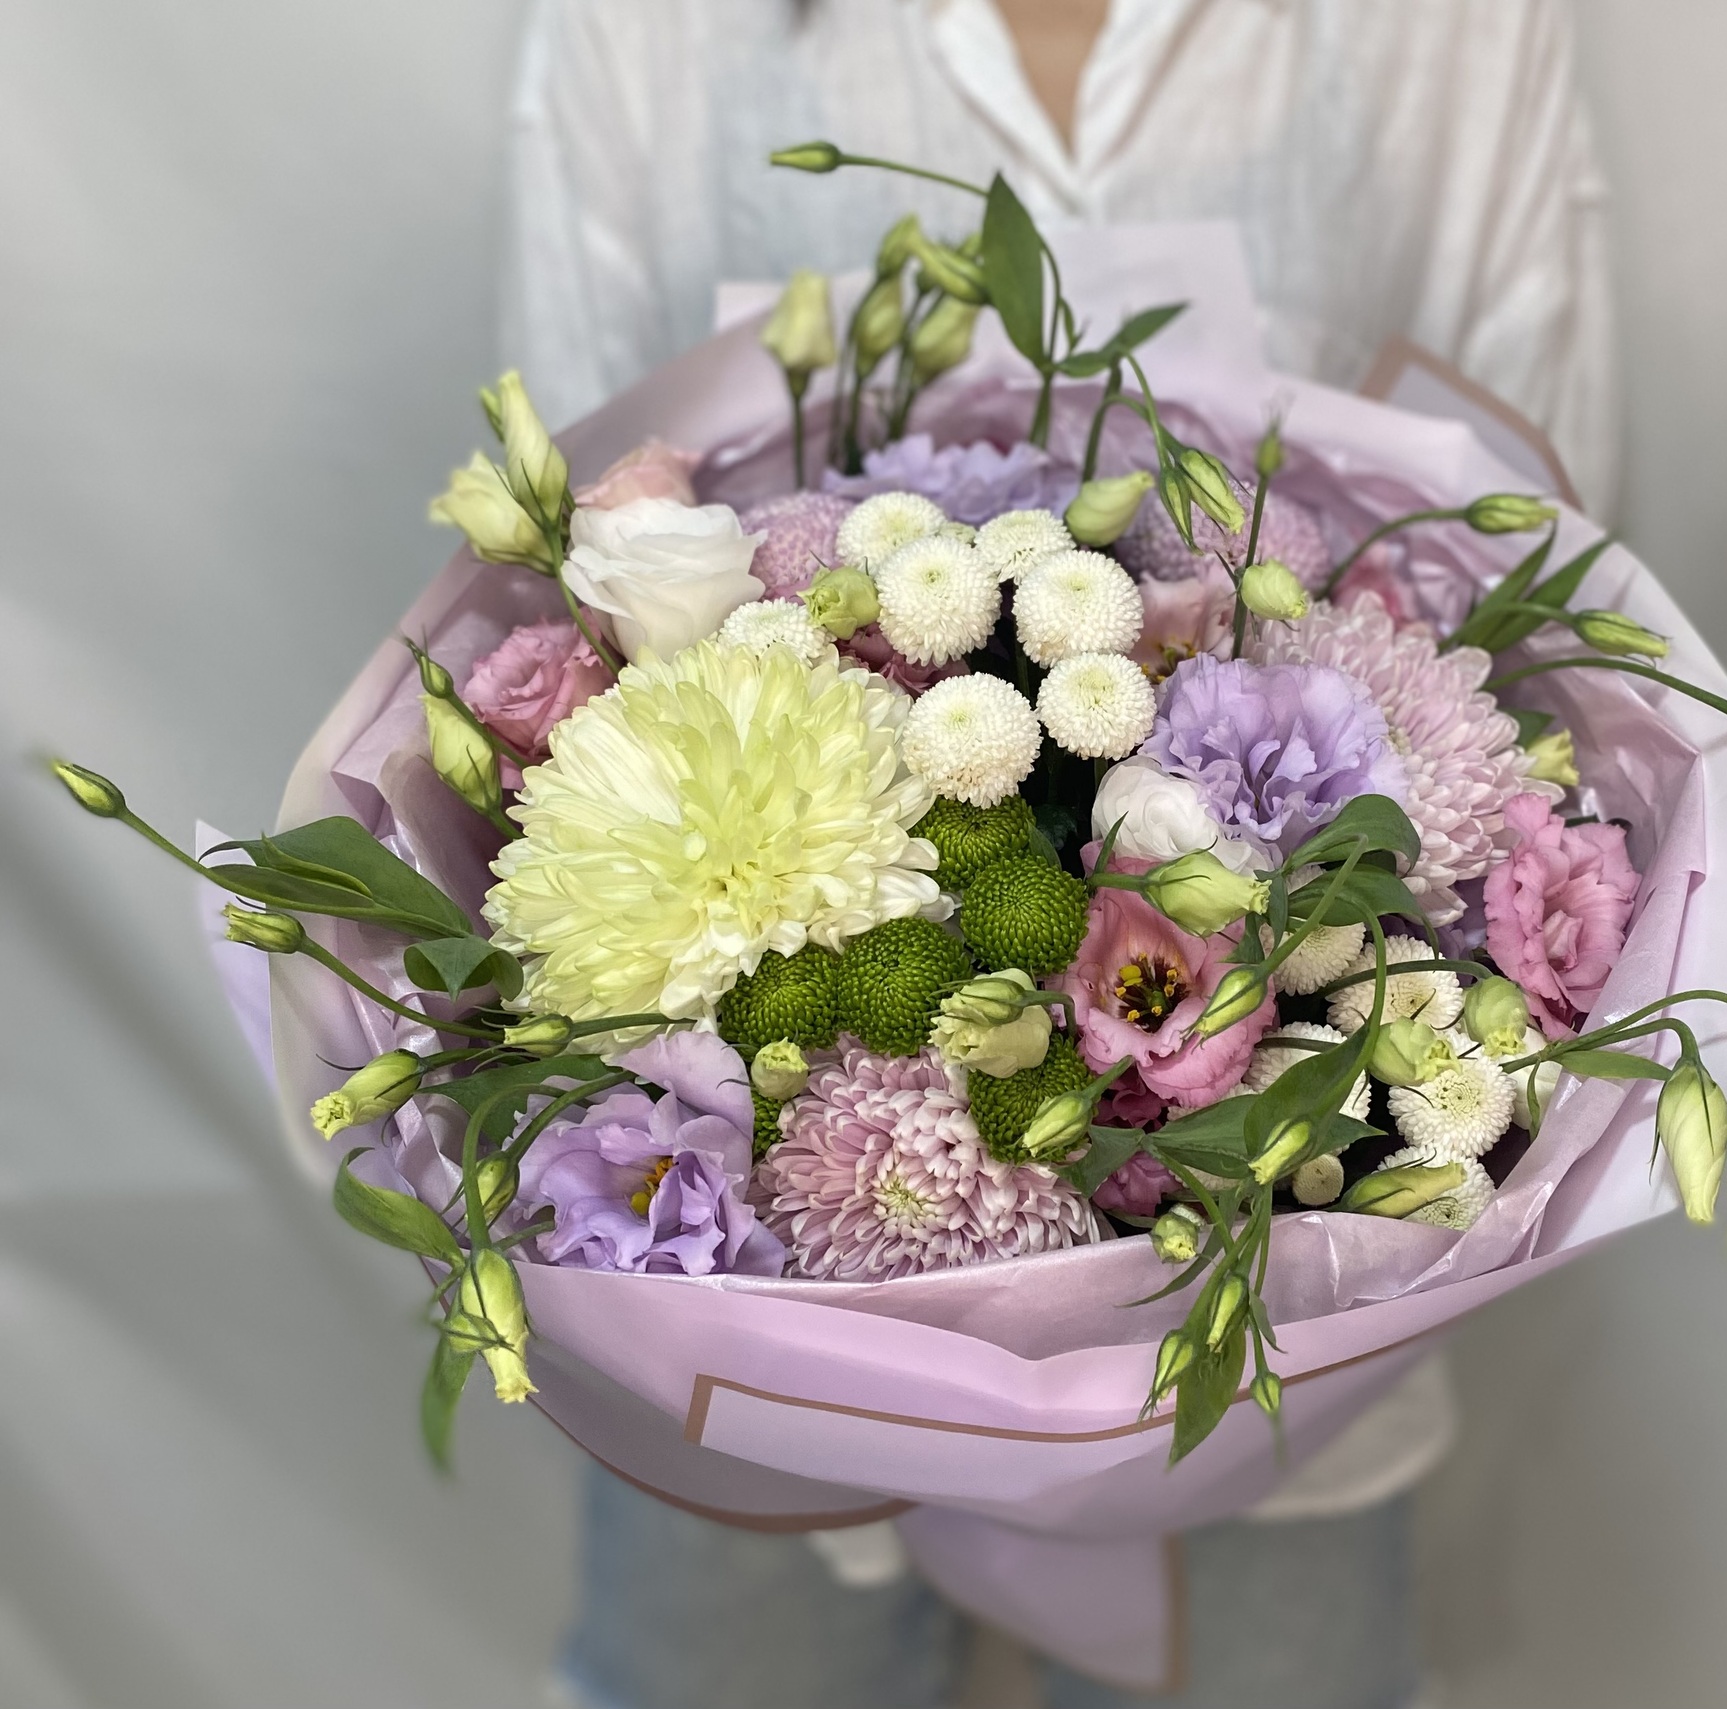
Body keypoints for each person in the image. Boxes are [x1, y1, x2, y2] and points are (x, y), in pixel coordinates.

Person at [503, 4, 1618, 1705]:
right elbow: (569, 559)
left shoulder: (1446, 31)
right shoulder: (650, 32)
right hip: (726, 1275)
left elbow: (1541, 580)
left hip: (1278, 1310)